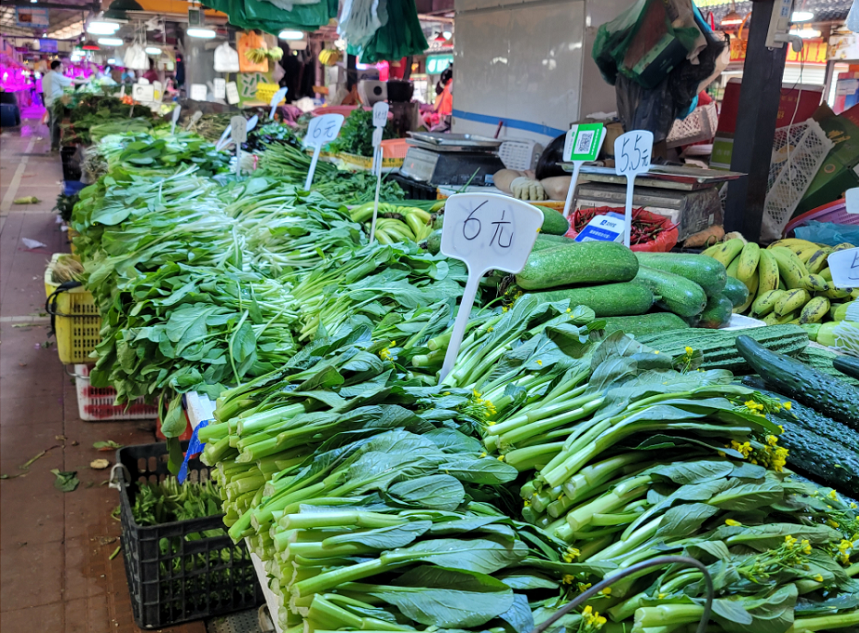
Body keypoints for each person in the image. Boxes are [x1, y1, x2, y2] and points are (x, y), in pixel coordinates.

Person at [42, 60, 86, 152]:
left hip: (48, 102)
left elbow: (44, 92)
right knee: (55, 124)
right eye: (62, 68)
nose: (63, 70)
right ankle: (55, 146)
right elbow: (72, 81)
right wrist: (86, 81)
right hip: (55, 102)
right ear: (57, 68)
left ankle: (54, 143)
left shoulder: (46, 76)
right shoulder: (55, 76)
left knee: (52, 123)